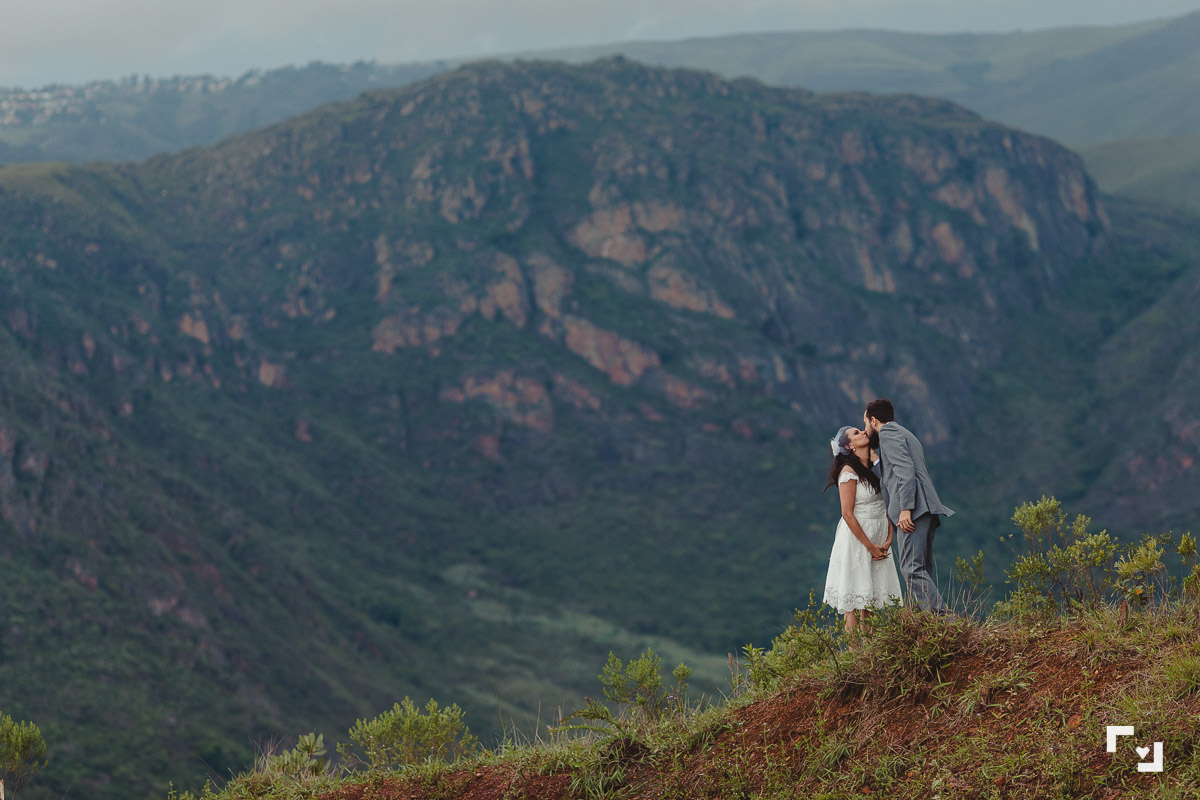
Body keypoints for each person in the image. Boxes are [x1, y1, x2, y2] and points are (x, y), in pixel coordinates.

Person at [863, 398, 954, 614]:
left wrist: (905, 509)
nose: (865, 430)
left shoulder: (887, 435)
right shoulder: (903, 432)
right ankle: (929, 620)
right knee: (921, 568)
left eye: (866, 423)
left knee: (911, 569)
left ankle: (943, 622)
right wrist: (876, 461)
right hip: (925, 507)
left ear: (874, 420)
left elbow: (905, 472)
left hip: (914, 510)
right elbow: (894, 474)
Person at [821, 424, 902, 640]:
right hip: (857, 539)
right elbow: (847, 514)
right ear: (849, 445)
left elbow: (885, 503)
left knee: (872, 597)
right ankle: (854, 656)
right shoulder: (848, 472)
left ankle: (871, 652)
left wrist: (888, 538)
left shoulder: (874, 469)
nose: (863, 432)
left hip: (879, 534)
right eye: (856, 433)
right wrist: (869, 547)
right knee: (855, 601)